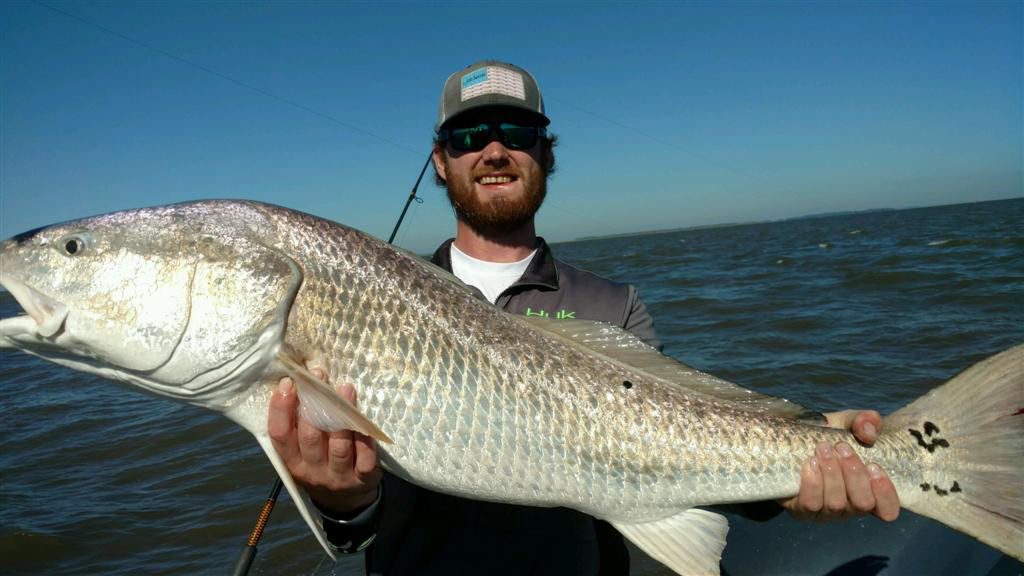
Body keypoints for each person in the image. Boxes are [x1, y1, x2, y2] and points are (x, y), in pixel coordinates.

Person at [268, 60, 900, 575]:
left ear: (546, 153)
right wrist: (343, 501)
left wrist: (803, 465)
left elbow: (680, 446)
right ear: (440, 161)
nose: (493, 150)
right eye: (469, 136)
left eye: (517, 135)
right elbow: (351, 532)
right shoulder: (365, 304)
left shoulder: (612, 306)